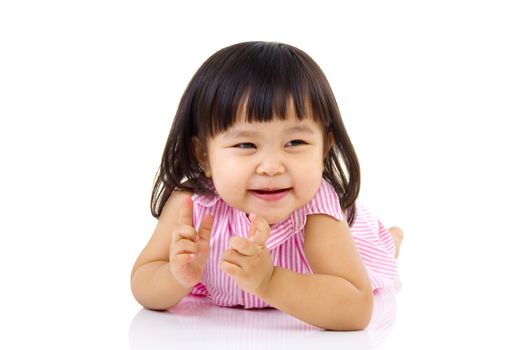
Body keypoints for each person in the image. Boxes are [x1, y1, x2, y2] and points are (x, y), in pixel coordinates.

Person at [130, 41, 403, 331]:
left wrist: (270, 280)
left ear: (324, 147)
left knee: (380, 247)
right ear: (203, 155)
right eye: (246, 144)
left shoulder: (316, 212)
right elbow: (142, 282)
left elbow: (355, 310)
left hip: (353, 246)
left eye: (295, 142)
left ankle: (392, 238)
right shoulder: (192, 204)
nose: (272, 166)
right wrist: (176, 275)